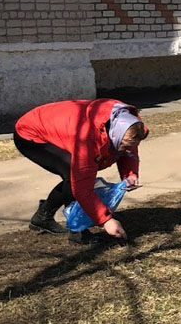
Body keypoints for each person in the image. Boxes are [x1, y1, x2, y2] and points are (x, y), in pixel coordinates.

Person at [15, 98, 148, 245]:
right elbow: (82, 188)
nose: (128, 149)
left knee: (73, 174)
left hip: (61, 126)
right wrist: (106, 221)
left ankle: (42, 217)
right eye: (124, 145)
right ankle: (77, 231)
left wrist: (130, 174)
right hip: (30, 132)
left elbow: (128, 149)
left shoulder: (127, 124)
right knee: (72, 173)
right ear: (114, 135)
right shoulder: (87, 139)